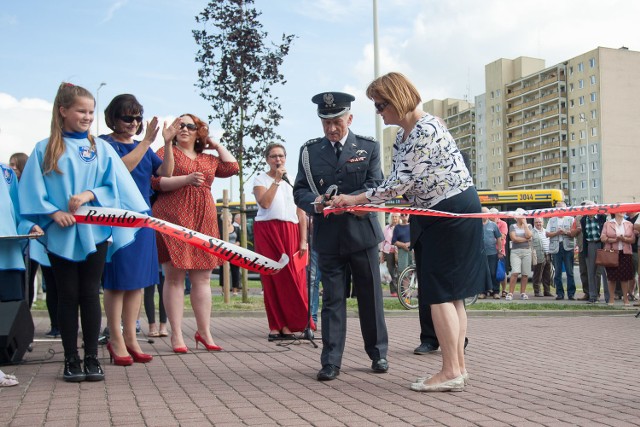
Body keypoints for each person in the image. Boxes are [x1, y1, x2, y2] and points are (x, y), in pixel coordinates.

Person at [331, 73, 490, 392]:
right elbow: (402, 184)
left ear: (396, 99)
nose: (378, 111)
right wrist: (370, 201)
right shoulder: (412, 133)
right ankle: (457, 367)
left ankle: (450, 370)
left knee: (440, 292)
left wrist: (356, 198)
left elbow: (399, 184)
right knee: (452, 293)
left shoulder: (423, 130)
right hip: (445, 210)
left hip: (445, 212)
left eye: (379, 105)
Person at [19, 82, 148, 382]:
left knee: (90, 294)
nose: (88, 116)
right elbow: (31, 191)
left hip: (95, 231)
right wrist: (54, 213)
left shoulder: (100, 148)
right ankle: (70, 359)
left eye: (91, 111)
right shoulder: (44, 148)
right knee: (67, 295)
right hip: (61, 233)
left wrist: (90, 194)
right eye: (81, 110)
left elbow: (115, 186)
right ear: (63, 111)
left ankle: (92, 357)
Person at [293, 91, 389, 381]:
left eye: (336, 121)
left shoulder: (368, 147)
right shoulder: (309, 151)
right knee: (332, 300)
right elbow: (299, 190)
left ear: (349, 118)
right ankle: (331, 361)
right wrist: (316, 202)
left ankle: (378, 353)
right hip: (329, 236)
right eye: (325, 122)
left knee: (370, 297)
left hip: (362, 233)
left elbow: (376, 184)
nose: (331, 128)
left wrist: (355, 200)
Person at [99, 94, 177, 365]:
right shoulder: (104, 144)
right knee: (117, 280)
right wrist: (146, 142)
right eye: (127, 117)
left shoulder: (141, 146)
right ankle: (115, 337)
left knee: (138, 282)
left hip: (143, 219)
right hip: (117, 220)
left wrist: (166, 144)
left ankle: (131, 337)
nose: (133, 123)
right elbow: (118, 172)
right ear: (113, 118)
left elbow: (164, 173)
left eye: (137, 118)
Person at [151, 113, 238, 353]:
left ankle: (204, 332)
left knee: (202, 279)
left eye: (190, 126)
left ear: (198, 131)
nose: (184, 129)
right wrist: (187, 179)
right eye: (180, 125)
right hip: (172, 218)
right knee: (174, 277)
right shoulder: (165, 151)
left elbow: (232, 167)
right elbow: (158, 181)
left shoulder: (208, 159)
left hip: (203, 219)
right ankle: (177, 335)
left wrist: (216, 144)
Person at [253, 143, 313, 340]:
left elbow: (301, 212)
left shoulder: (294, 180)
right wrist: (276, 181)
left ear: (286, 158)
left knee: (293, 277)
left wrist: (303, 240)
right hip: (268, 230)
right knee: (272, 277)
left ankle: (293, 323)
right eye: (273, 156)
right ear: (267, 159)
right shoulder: (260, 179)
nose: (277, 159)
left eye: (280, 156)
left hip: (291, 230)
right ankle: (276, 325)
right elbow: (265, 203)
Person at [575, 201, 608, 304]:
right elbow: (584, 235)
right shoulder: (583, 220)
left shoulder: (602, 217)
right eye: (586, 208)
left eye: (591, 207)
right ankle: (593, 296)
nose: (589, 210)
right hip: (590, 245)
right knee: (591, 272)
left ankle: (608, 297)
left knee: (604, 273)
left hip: (601, 245)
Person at [601, 213, 635, 306]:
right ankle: (611, 299)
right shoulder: (608, 223)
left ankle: (625, 299)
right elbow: (603, 237)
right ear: (615, 212)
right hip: (612, 252)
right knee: (612, 277)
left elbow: (632, 239)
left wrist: (624, 239)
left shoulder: (629, 224)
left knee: (625, 277)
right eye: (620, 211)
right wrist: (615, 239)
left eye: (623, 211)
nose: (622, 213)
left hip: (625, 252)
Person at [546, 202, 577, 300]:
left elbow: (573, 233)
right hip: (556, 247)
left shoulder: (571, 219)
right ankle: (560, 293)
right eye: (558, 209)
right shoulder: (552, 220)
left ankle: (571, 293)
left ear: (566, 209)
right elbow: (547, 234)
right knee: (557, 272)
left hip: (568, 247)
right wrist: (557, 233)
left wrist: (565, 232)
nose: (560, 210)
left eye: (562, 208)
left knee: (570, 271)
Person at [506, 212, 533, 301]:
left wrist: (525, 224)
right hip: (515, 252)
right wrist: (526, 239)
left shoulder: (528, 226)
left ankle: (523, 293)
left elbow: (529, 235)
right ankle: (510, 293)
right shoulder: (512, 226)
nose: (522, 218)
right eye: (520, 216)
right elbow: (514, 239)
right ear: (516, 218)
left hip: (527, 251)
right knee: (515, 272)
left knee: (525, 274)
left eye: (523, 216)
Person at [481, 207, 503, 299]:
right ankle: (483, 292)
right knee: (482, 273)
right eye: (482, 213)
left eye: (486, 214)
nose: (484, 215)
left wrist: (499, 251)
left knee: (493, 273)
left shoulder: (493, 225)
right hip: (480, 254)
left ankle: (496, 291)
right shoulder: (477, 225)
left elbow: (499, 238)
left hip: (492, 253)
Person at [531, 218, 553, 297]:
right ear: (534, 223)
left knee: (547, 274)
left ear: (543, 223)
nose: (538, 224)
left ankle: (547, 291)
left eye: (540, 222)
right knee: (538, 274)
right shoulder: (531, 232)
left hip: (548, 254)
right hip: (538, 255)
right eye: (536, 222)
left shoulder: (546, 231)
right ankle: (537, 291)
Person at [381, 213, 400, 296]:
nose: (394, 218)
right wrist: (382, 254)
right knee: (391, 271)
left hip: (399, 251)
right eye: (393, 216)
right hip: (388, 251)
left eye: (396, 216)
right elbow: (383, 241)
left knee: (400, 270)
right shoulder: (386, 228)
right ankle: (393, 291)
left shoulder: (401, 227)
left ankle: (401, 289)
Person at [392, 213, 411, 289]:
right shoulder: (397, 227)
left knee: (415, 272)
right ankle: (407, 295)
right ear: (400, 217)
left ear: (409, 215)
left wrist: (410, 244)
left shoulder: (412, 226)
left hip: (412, 251)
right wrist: (403, 245)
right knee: (404, 273)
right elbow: (394, 241)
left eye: (406, 214)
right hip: (402, 252)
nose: (404, 216)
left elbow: (417, 237)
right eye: (402, 215)